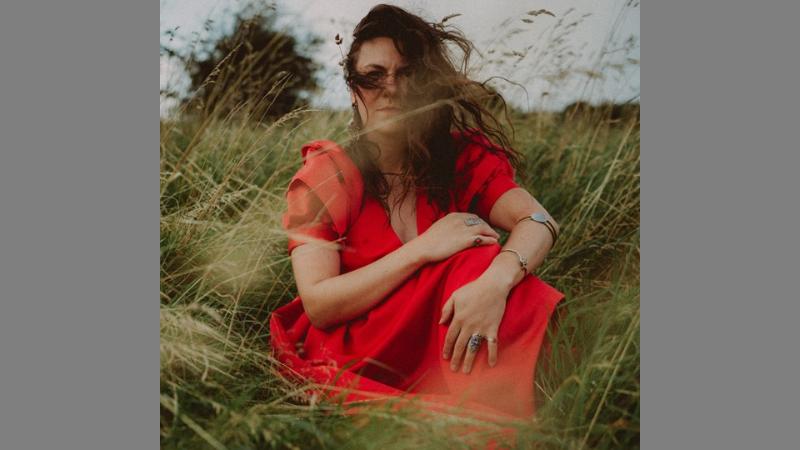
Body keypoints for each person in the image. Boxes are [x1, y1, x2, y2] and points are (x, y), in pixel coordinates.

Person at [270, 4, 564, 420]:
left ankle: (532, 394)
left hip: (441, 341)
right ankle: (509, 404)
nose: (391, 88)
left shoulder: (459, 158)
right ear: (354, 91)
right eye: (373, 76)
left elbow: (538, 220)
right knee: (467, 256)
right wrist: (425, 248)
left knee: (483, 265)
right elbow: (318, 302)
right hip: (359, 350)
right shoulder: (330, 172)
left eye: (407, 74)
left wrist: (495, 285)